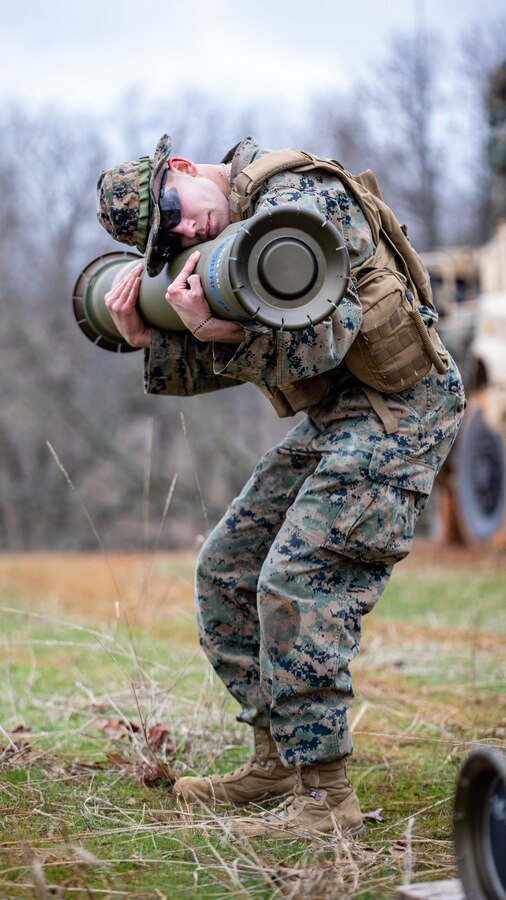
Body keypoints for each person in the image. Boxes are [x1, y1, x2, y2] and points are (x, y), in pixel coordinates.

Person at [96, 133, 466, 840]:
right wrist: (158, 337)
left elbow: (328, 336)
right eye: (167, 240)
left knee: (298, 580)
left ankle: (327, 803)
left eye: (174, 213)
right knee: (226, 569)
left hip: (405, 409)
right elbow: (271, 357)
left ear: (182, 169)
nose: (185, 232)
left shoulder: (299, 199)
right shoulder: (236, 231)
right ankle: (278, 761)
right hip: (342, 412)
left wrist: (218, 330)